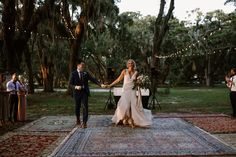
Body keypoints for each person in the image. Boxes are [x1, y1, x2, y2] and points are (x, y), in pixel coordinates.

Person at [107, 59, 152, 128]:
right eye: (129, 63)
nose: (130, 64)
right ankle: (123, 118)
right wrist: (110, 85)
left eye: (131, 63)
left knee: (133, 105)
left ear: (133, 64)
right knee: (124, 105)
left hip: (132, 91)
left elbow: (137, 82)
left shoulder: (136, 72)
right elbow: (118, 80)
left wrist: (141, 83)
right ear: (127, 65)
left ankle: (132, 120)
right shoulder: (124, 71)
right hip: (125, 90)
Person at [70, 59, 106, 128]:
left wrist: (100, 84)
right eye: (82, 65)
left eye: (84, 65)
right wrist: (76, 87)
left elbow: (93, 79)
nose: (83, 66)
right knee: (77, 107)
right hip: (76, 93)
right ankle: (78, 118)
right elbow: (70, 84)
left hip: (84, 92)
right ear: (78, 66)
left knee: (85, 106)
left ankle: (84, 122)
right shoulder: (73, 73)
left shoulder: (85, 73)